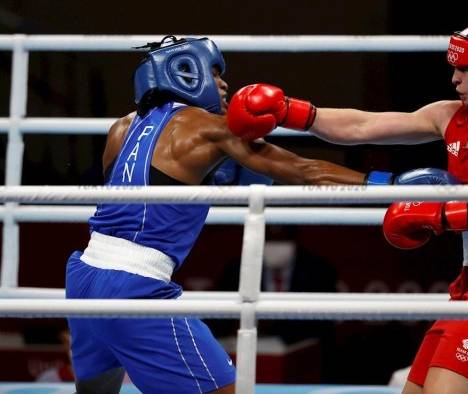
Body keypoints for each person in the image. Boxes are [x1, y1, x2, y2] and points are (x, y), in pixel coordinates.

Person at [227, 20, 468, 394]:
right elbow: (363, 126)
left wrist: (438, 214)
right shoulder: (451, 116)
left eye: (466, 70)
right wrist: (294, 113)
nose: (455, 80)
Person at [64, 35, 375, 394]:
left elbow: (133, 200)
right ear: (185, 72)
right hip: (135, 287)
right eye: (214, 73)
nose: (225, 83)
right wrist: (388, 185)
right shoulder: (209, 128)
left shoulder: (120, 128)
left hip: (85, 276)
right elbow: (306, 171)